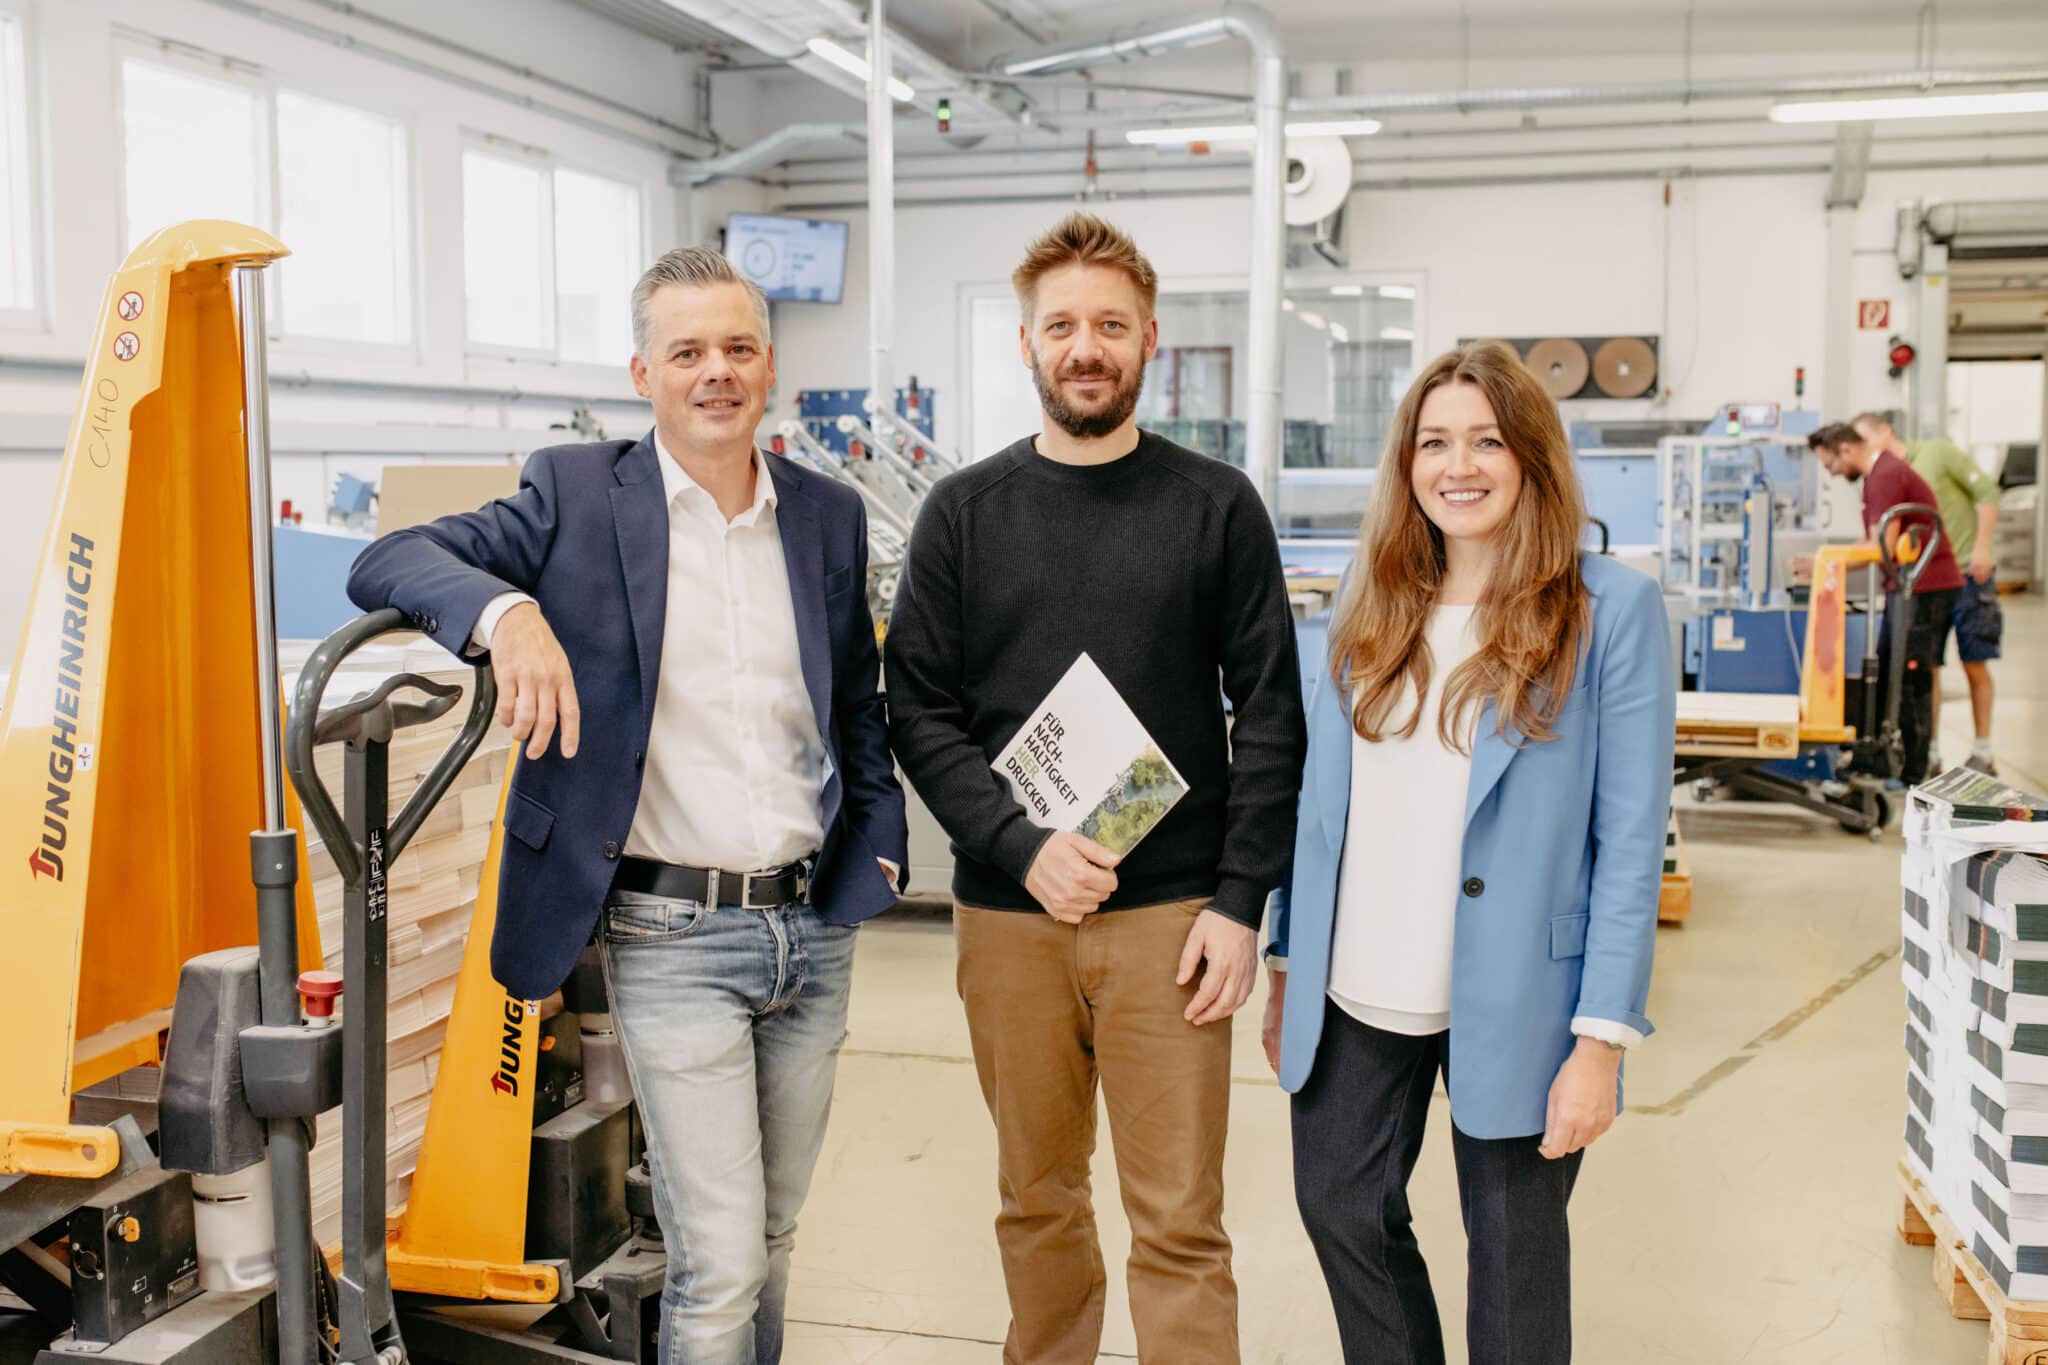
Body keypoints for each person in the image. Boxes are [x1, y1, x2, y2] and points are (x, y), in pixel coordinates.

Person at [346, 246, 908, 1365]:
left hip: (812, 926)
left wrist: (877, 851)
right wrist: (507, 615)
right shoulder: (572, 496)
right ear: (642, 371)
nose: (716, 372)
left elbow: (856, 702)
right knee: (721, 1264)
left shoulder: (826, 519)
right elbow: (390, 557)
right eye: (687, 351)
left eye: (737, 348)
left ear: (769, 368)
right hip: (670, 934)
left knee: (776, 1236)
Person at [884, 212, 1306, 1365]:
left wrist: (1238, 904)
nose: (1085, 346)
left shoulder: (1214, 508)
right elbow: (914, 708)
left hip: (1171, 923)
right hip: (1011, 918)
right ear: (1026, 343)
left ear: (1149, 341)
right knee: (1035, 1199)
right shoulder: (962, 515)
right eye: (1061, 324)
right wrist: (1018, 845)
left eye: (1108, 325)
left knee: (1177, 1219)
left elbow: (1270, 714)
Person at [1262, 340, 1674, 1365]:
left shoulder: (1604, 608)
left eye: (1486, 441)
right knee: (1339, 1208)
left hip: (1521, 994)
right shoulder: (1369, 596)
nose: (1459, 466)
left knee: (1511, 1255)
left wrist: (1599, 1040)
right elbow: (1317, 804)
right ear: (1405, 464)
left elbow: (1628, 835)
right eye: (1433, 442)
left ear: (1529, 455)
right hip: (1359, 979)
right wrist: (1284, 963)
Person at [1806, 422, 1964, 788]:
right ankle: (1886, 758)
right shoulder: (1879, 476)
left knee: (1910, 678)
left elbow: (1881, 549)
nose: (1831, 473)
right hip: (1906, 586)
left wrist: (1826, 560)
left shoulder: (1886, 475)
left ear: (1845, 449)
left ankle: (1913, 772)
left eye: (1829, 465)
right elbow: (1870, 540)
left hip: (1924, 587)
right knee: (1891, 671)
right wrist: (1824, 560)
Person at [1852, 410, 2003, 775]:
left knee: (1974, 662)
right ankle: (1929, 751)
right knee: (1926, 667)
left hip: (1967, 571)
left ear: (1884, 431)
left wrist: (1982, 548)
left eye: (1864, 440)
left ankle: (1983, 750)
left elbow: (1987, 492)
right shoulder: (1882, 475)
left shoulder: (1937, 453)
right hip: (1923, 582)